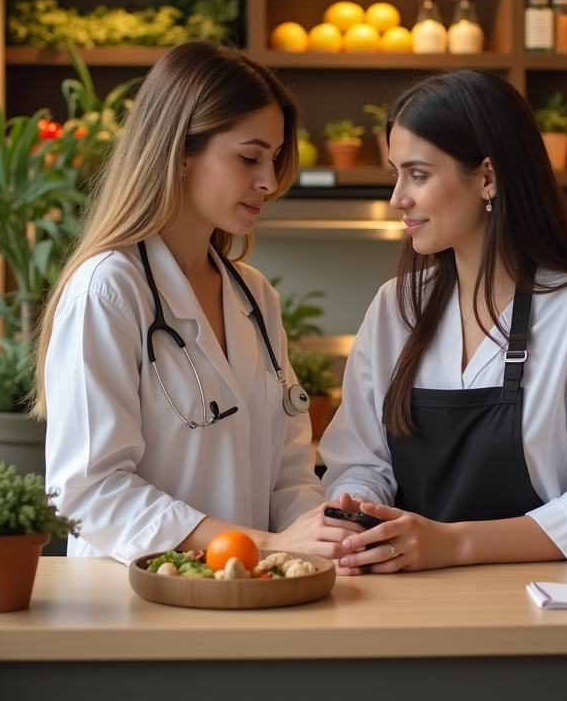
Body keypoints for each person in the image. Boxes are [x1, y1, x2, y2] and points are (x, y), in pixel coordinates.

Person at [316, 69, 567, 574]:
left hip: (544, 603)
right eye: (395, 173)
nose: (398, 198)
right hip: (405, 594)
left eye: (417, 174)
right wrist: (357, 512)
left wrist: (453, 544)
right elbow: (361, 462)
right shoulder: (396, 308)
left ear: (487, 176)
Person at [33, 41, 353, 564]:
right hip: (131, 607)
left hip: (242, 598)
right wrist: (262, 545)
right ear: (180, 152)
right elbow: (89, 491)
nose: (269, 182)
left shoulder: (255, 297)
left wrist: (319, 535)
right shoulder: (109, 290)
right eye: (250, 157)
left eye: (273, 159)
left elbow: (288, 475)